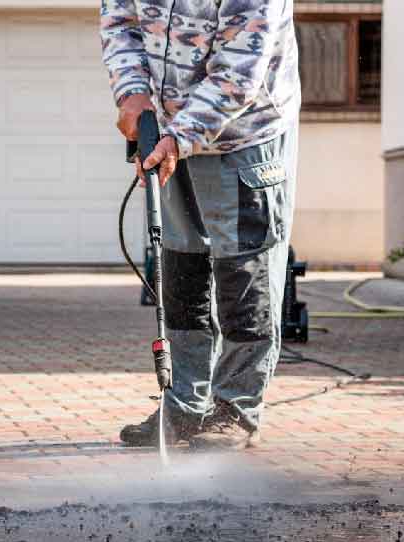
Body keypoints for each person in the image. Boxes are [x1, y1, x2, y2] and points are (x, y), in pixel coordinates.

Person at [101, 0, 301, 450]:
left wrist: (180, 137)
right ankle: (184, 407)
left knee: (243, 274)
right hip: (169, 129)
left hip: (245, 133)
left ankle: (235, 407)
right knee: (181, 269)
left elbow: (238, 72)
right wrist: (132, 93)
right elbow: (120, 21)